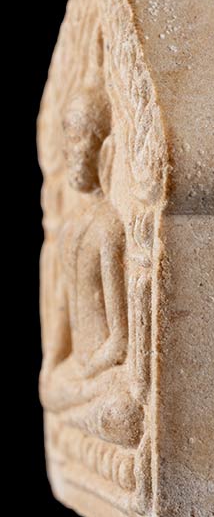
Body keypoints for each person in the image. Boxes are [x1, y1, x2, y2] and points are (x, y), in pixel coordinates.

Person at [39, 41, 142, 448]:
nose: (71, 152)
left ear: (105, 150)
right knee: (49, 391)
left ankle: (79, 420)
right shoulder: (69, 231)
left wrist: (86, 373)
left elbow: (119, 339)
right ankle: (77, 417)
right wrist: (54, 365)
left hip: (99, 374)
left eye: (81, 139)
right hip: (77, 374)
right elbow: (62, 312)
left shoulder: (108, 229)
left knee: (122, 413)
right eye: (67, 139)